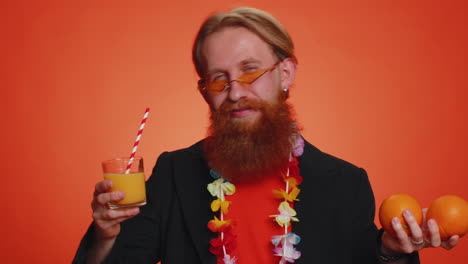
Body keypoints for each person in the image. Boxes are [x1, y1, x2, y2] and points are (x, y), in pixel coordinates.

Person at [73, 7, 460, 264]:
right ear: (204, 90)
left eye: (250, 70)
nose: (236, 91)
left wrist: (391, 251)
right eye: (218, 77)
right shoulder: (173, 173)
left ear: (285, 74)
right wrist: (106, 234)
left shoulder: (346, 183)